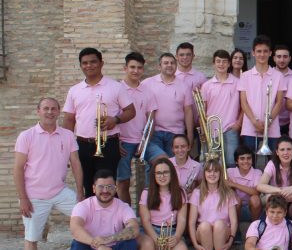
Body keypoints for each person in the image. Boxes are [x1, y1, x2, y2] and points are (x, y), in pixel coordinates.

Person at [14, 97, 84, 250]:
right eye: (46, 108)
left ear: (58, 112)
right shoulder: (26, 136)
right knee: (32, 237)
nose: (50, 112)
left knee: (86, 218)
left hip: (60, 191)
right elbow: (18, 168)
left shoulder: (68, 135)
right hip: (34, 196)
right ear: (38, 111)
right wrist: (23, 198)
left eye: (54, 109)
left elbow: (76, 164)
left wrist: (80, 191)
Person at [62, 47, 136, 198]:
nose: (89, 65)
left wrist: (115, 120)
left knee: (108, 188)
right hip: (82, 145)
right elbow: (69, 120)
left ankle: (111, 221)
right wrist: (67, 149)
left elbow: (131, 111)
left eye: (93, 62)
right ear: (81, 65)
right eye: (85, 63)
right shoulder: (74, 90)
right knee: (89, 189)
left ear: (101, 63)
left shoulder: (116, 87)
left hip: (108, 144)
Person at [131, 158, 189, 250]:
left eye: (165, 172)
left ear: (171, 174)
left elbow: (182, 218)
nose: (162, 176)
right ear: (154, 176)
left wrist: (176, 237)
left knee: (182, 249)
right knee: (148, 245)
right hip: (151, 231)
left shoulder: (180, 192)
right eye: (158, 173)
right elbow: (145, 220)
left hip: (172, 232)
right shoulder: (146, 192)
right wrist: (155, 237)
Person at [117, 52, 164, 204]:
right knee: (123, 181)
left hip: (142, 140)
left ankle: (149, 203)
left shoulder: (147, 91)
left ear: (143, 70)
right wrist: (115, 141)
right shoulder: (116, 89)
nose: (135, 71)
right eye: (132, 67)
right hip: (122, 141)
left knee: (163, 161)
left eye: (139, 68)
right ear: (125, 68)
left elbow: (151, 120)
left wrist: (145, 142)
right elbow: (112, 118)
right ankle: (128, 218)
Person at [188, 159, 239, 250]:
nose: (212, 174)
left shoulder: (228, 193)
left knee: (219, 223)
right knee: (205, 225)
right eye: (209, 171)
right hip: (203, 232)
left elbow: (234, 221)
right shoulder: (197, 193)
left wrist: (231, 240)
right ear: (204, 174)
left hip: (222, 231)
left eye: (216, 171)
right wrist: (195, 244)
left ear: (220, 174)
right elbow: (191, 222)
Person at [238, 34, 286, 154]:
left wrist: (268, 122)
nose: (262, 54)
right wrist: (254, 122)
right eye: (259, 51)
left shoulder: (278, 76)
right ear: (253, 53)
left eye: (265, 51)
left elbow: (279, 102)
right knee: (248, 162)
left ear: (270, 53)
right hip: (250, 126)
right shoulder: (245, 76)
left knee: (274, 163)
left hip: (271, 127)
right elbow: (243, 102)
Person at [141, 53, 194, 157]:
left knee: (174, 166)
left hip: (176, 133)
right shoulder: (147, 84)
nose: (169, 65)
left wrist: (190, 136)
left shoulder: (184, 86)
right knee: (154, 166)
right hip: (154, 133)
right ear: (159, 66)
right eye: (166, 63)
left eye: (172, 63)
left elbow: (188, 111)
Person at [257, 135, 292, 226]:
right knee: (270, 196)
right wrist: (281, 191)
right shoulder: (272, 164)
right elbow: (260, 186)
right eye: (282, 150)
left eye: (289, 149)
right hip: (278, 202)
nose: (286, 153)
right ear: (277, 152)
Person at [200, 49, 242, 167]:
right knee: (211, 165)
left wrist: (238, 123)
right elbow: (203, 110)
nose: (221, 64)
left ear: (229, 64)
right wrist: (204, 130)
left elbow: (244, 105)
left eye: (224, 61)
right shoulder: (207, 85)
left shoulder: (238, 82)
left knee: (231, 164)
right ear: (214, 64)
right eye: (218, 61)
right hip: (211, 130)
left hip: (230, 130)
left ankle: (229, 186)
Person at [227, 145, 263, 225]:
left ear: (252, 160)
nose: (246, 161)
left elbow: (257, 192)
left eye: (249, 158)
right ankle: (235, 230)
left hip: (252, 209)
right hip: (234, 208)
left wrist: (234, 185)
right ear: (236, 161)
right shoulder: (229, 172)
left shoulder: (257, 172)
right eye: (242, 158)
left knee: (255, 199)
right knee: (236, 200)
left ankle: (255, 228)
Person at [273, 44, 292, 136]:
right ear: (274, 58)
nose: (282, 60)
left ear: (290, 58)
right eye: (279, 57)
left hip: (291, 121)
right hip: (272, 121)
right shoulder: (268, 75)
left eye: (285, 57)